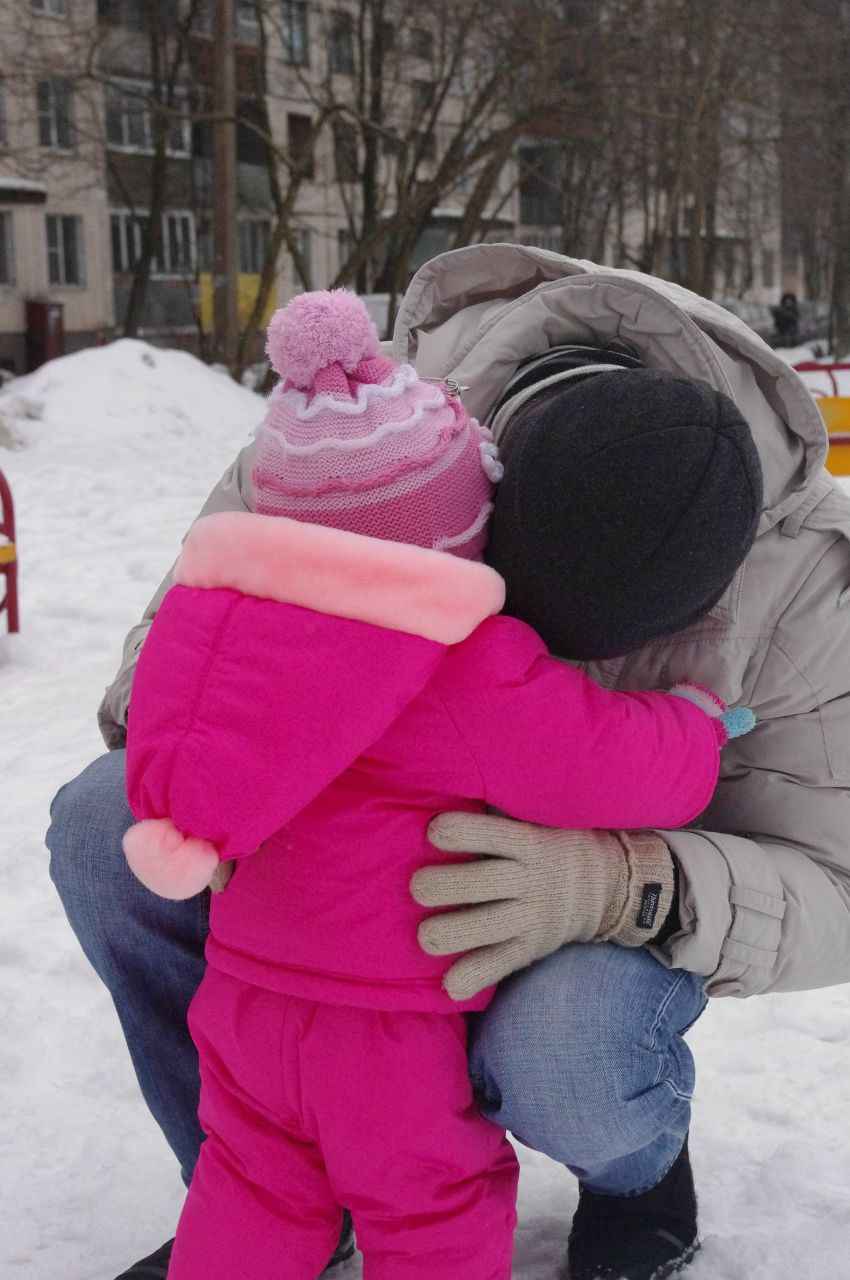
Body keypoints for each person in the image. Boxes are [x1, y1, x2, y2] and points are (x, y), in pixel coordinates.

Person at [46, 247, 850, 1280]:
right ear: (482, 484)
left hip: (580, 922)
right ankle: (264, 1180)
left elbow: (836, 877)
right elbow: (180, 644)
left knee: (566, 1038)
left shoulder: (809, 578)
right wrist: (210, 791)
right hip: (338, 902)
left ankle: (632, 1170)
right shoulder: (361, 444)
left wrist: (628, 882)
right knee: (104, 825)